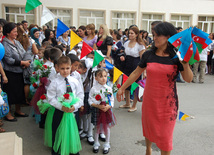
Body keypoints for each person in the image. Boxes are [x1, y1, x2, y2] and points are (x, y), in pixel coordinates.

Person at [117, 22, 193, 155]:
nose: (154, 38)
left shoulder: (177, 57)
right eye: (154, 35)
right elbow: (136, 72)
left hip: (168, 105)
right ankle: (148, 149)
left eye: (158, 36)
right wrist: (122, 88)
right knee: (149, 128)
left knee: (166, 138)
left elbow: (188, 78)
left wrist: (185, 64)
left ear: (168, 36)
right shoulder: (148, 55)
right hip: (149, 101)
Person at [47, 56, 83, 155]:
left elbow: (80, 95)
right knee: (58, 133)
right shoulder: (54, 83)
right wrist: (61, 106)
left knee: (72, 134)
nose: (65, 71)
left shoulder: (75, 81)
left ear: (71, 67)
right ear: (57, 68)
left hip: (73, 112)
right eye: (62, 68)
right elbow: (50, 98)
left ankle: (72, 151)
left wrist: (75, 106)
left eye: (67, 68)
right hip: (59, 112)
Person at [2, 22, 30, 121]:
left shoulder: (16, 42)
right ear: (8, 33)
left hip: (20, 71)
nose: (16, 34)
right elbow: (8, 60)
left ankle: (18, 110)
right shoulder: (5, 44)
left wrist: (26, 61)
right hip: (10, 72)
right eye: (14, 32)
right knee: (10, 93)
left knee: (19, 92)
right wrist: (22, 62)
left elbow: (24, 52)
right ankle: (8, 113)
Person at [119, 26, 146, 112]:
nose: (129, 35)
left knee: (135, 86)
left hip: (136, 65)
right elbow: (124, 53)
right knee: (126, 84)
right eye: (129, 33)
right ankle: (127, 103)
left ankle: (134, 105)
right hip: (127, 64)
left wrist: (144, 72)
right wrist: (122, 57)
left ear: (136, 34)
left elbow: (143, 59)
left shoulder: (140, 45)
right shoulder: (126, 43)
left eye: (132, 33)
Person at [89, 68, 115, 154]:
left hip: (106, 110)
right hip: (97, 110)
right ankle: (96, 143)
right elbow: (90, 100)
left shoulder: (109, 88)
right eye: (101, 76)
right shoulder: (94, 89)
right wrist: (97, 105)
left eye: (105, 76)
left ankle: (107, 144)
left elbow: (111, 99)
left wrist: (109, 105)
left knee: (107, 127)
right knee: (97, 127)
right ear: (96, 78)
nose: (104, 78)